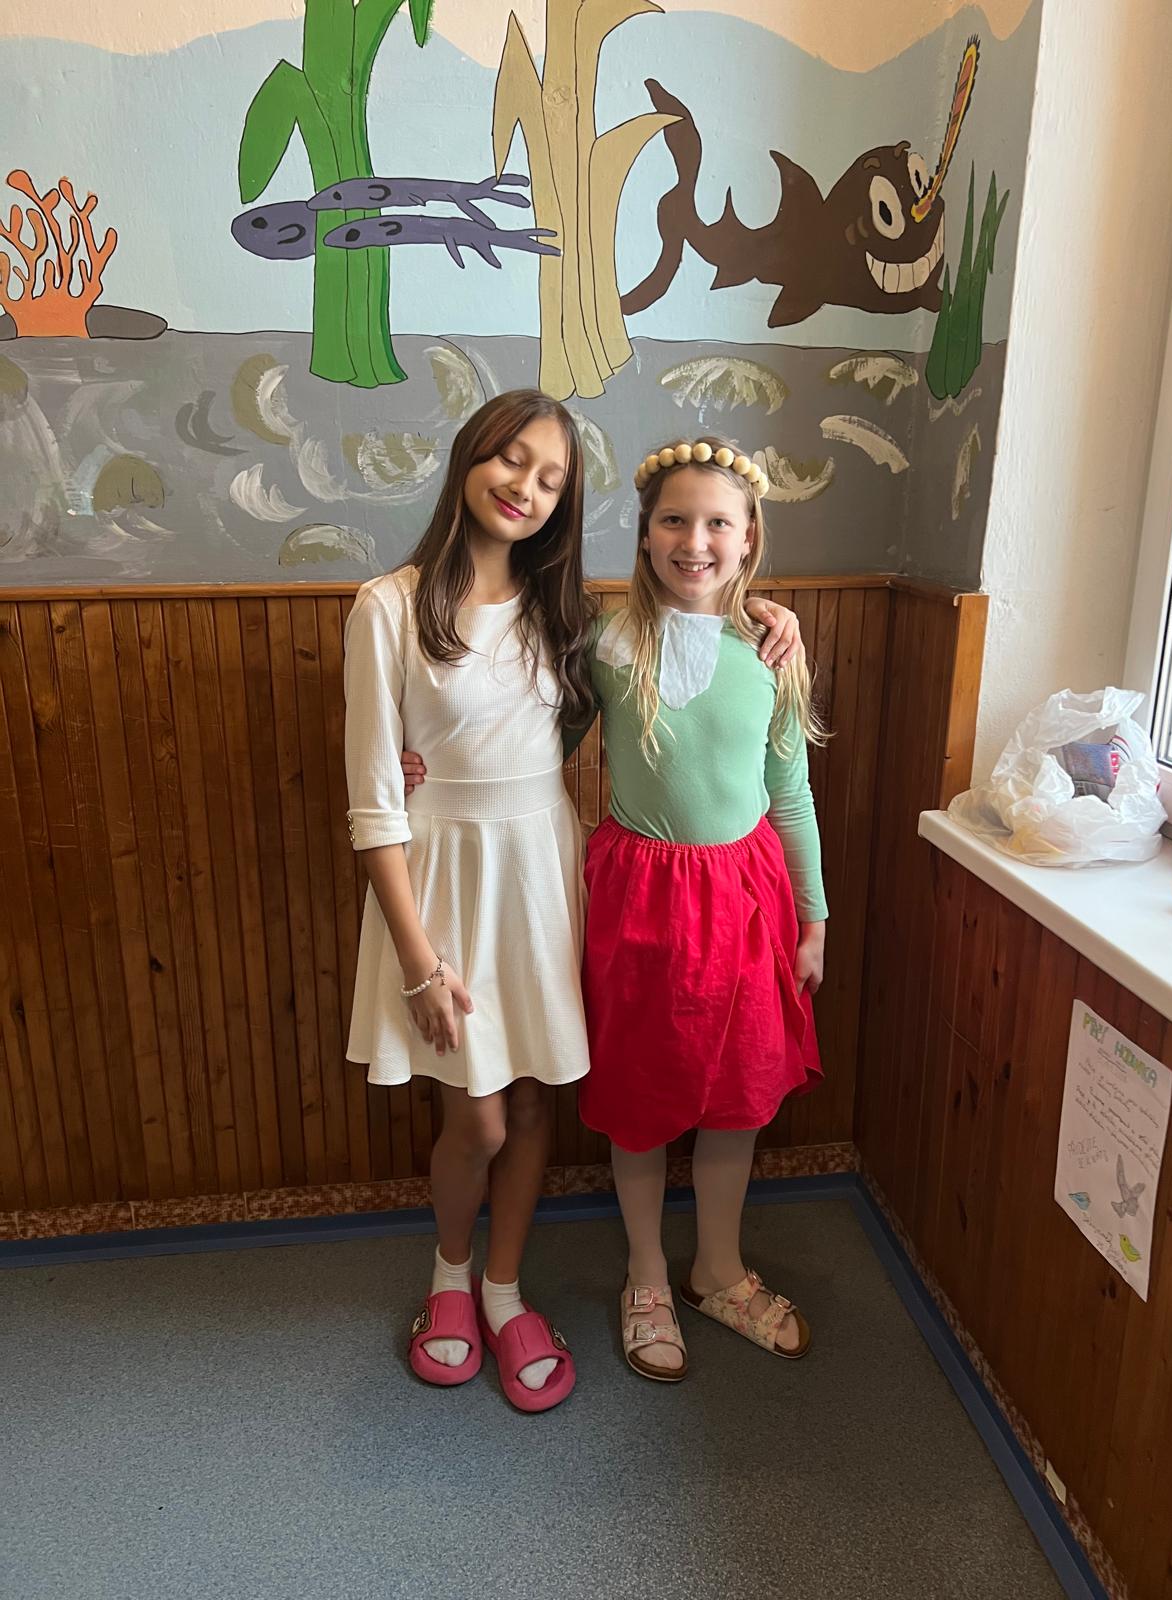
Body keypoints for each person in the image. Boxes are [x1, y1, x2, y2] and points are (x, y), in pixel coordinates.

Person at [346, 392, 802, 1411]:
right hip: (451, 878)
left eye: (551, 478)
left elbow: (589, 709)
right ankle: (449, 1278)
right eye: (511, 460)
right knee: (479, 1120)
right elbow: (375, 795)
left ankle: (505, 1293)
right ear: (469, 459)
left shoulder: (566, 615)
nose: (526, 487)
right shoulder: (389, 606)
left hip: (546, 872)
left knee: (534, 1100)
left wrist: (769, 612)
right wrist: (418, 956)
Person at [574, 438, 827, 1383]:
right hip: (641, 897)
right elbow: (532, 744)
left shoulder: (770, 647)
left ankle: (716, 1268)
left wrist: (815, 918)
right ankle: (646, 1273)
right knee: (640, 1097)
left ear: (748, 536)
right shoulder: (607, 645)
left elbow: (790, 793)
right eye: (675, 520)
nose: (696, 540)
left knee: (738, 1091)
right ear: (645, 535)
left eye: (719, 522)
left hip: (749, 898)